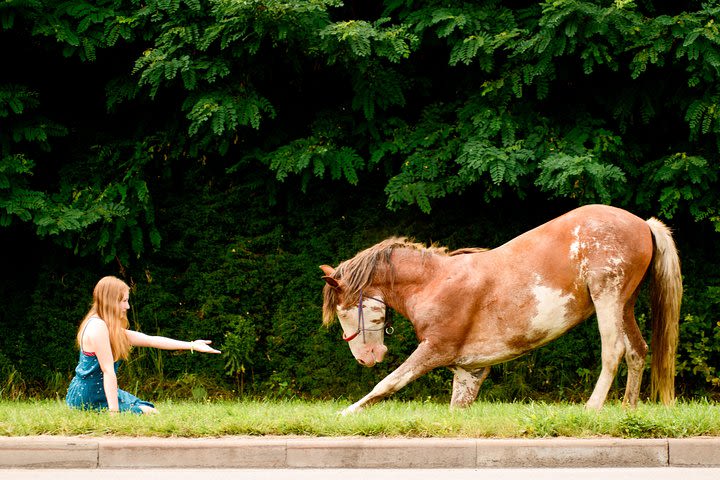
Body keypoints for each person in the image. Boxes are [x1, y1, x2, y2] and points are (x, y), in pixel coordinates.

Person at [66, 276, 220, 414]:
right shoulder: (97, 326)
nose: (127, 307)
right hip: (88, 397)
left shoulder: (108, 327)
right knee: (148, 412)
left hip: (97, 392)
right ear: (111, 301)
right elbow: (108, 371)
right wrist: (114, 413)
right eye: (124, 301)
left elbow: (150, 340)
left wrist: (192, 345)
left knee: (148, 408)